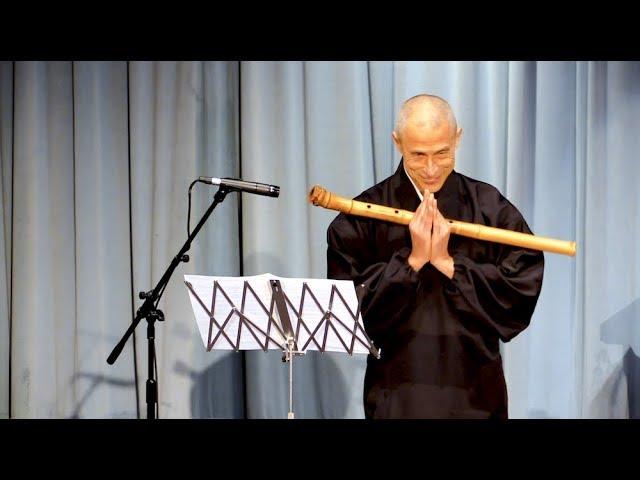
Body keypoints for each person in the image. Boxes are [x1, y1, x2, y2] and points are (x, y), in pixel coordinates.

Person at [326, 94, 544, 419]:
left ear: (458, 138)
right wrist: (411, 262)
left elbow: (520, 291)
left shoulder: (490, 207)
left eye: (442, 153)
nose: (430, 169)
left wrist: (449, 264)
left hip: (476, 393)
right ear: (397, 143)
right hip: (396, 394)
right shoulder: (361, 217)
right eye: (418, 155)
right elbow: (347, 313)